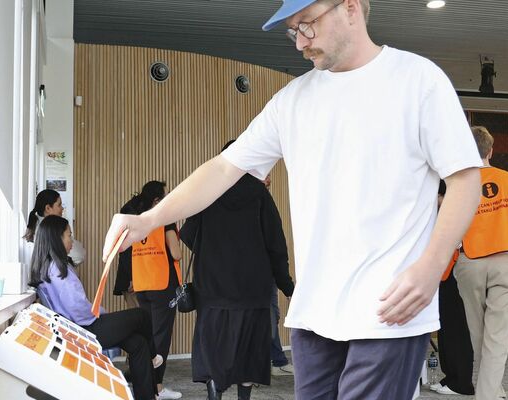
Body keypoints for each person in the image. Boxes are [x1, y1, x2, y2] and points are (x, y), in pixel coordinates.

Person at [102, 0, 483, 398]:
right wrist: (149, 219)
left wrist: (431, 266)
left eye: (308, 25)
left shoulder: (418, 80)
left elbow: (465, 180)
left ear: (351, 7)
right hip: (314, 313)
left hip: (389, 310)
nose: (300, 42)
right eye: (293, 30)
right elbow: (223, 169)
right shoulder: (293, 99)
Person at [180, 141, 294, 400]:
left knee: (214, 347)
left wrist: (214, 246)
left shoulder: (209, 192)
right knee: (249, 350)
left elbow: (188, 235)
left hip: (212, 290)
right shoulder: (259, 194)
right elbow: (276, 244)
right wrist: (287, 285)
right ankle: (243, 397)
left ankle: (214, 389)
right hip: (251, 290)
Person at [29, 215, 163, 400]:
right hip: (86, 329)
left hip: (76, 328)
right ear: (57, 239)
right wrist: (100, 312)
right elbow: (79, 309)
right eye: (69, 235)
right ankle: (155, 356)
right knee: (141, 315)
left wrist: (99, 313)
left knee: (138, 344)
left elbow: (76, 306)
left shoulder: (48, 267)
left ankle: (148, 395)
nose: (72, 240)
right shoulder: (59, 270)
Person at [454, 126, 508, 400]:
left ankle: (491, 392)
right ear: (491, 150)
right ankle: (489, 394)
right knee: (497, 337)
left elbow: (451, 225)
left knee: (479, 334)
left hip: (471, 261)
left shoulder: (458, 182)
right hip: (506, 260)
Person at [115, 181, 183, 400]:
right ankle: (158, 389)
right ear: (157, 200)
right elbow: (176, 253)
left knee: (148, 338)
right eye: (165, 195)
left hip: (142, 286)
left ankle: (146, 387)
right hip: (163, 285)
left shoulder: (137, 222)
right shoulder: (165, 220)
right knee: (160, 337)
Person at [430, 181, 474, 396]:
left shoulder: (460, 212)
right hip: (444, 274)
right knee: (445, 327)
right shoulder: (442, 214)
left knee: (457, 328)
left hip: (458, 273)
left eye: (438, 197)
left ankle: (461, 382)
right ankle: (450, 377)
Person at [261, 174, 295, 377]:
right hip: (263, 274)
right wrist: (288, 286)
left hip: (267, 273)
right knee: (267, 316)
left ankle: (275, 360)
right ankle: (274, 361)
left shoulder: (260, 199)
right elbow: (275, 245)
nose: (270, 178)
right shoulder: (259, 201)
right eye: (264, 173)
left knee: (270, 316)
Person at [24, 189, 86, 264]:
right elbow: (79, 254)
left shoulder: (37, 226)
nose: (62, 208)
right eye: (59, 205)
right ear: (48, 208)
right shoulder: (49, 230)